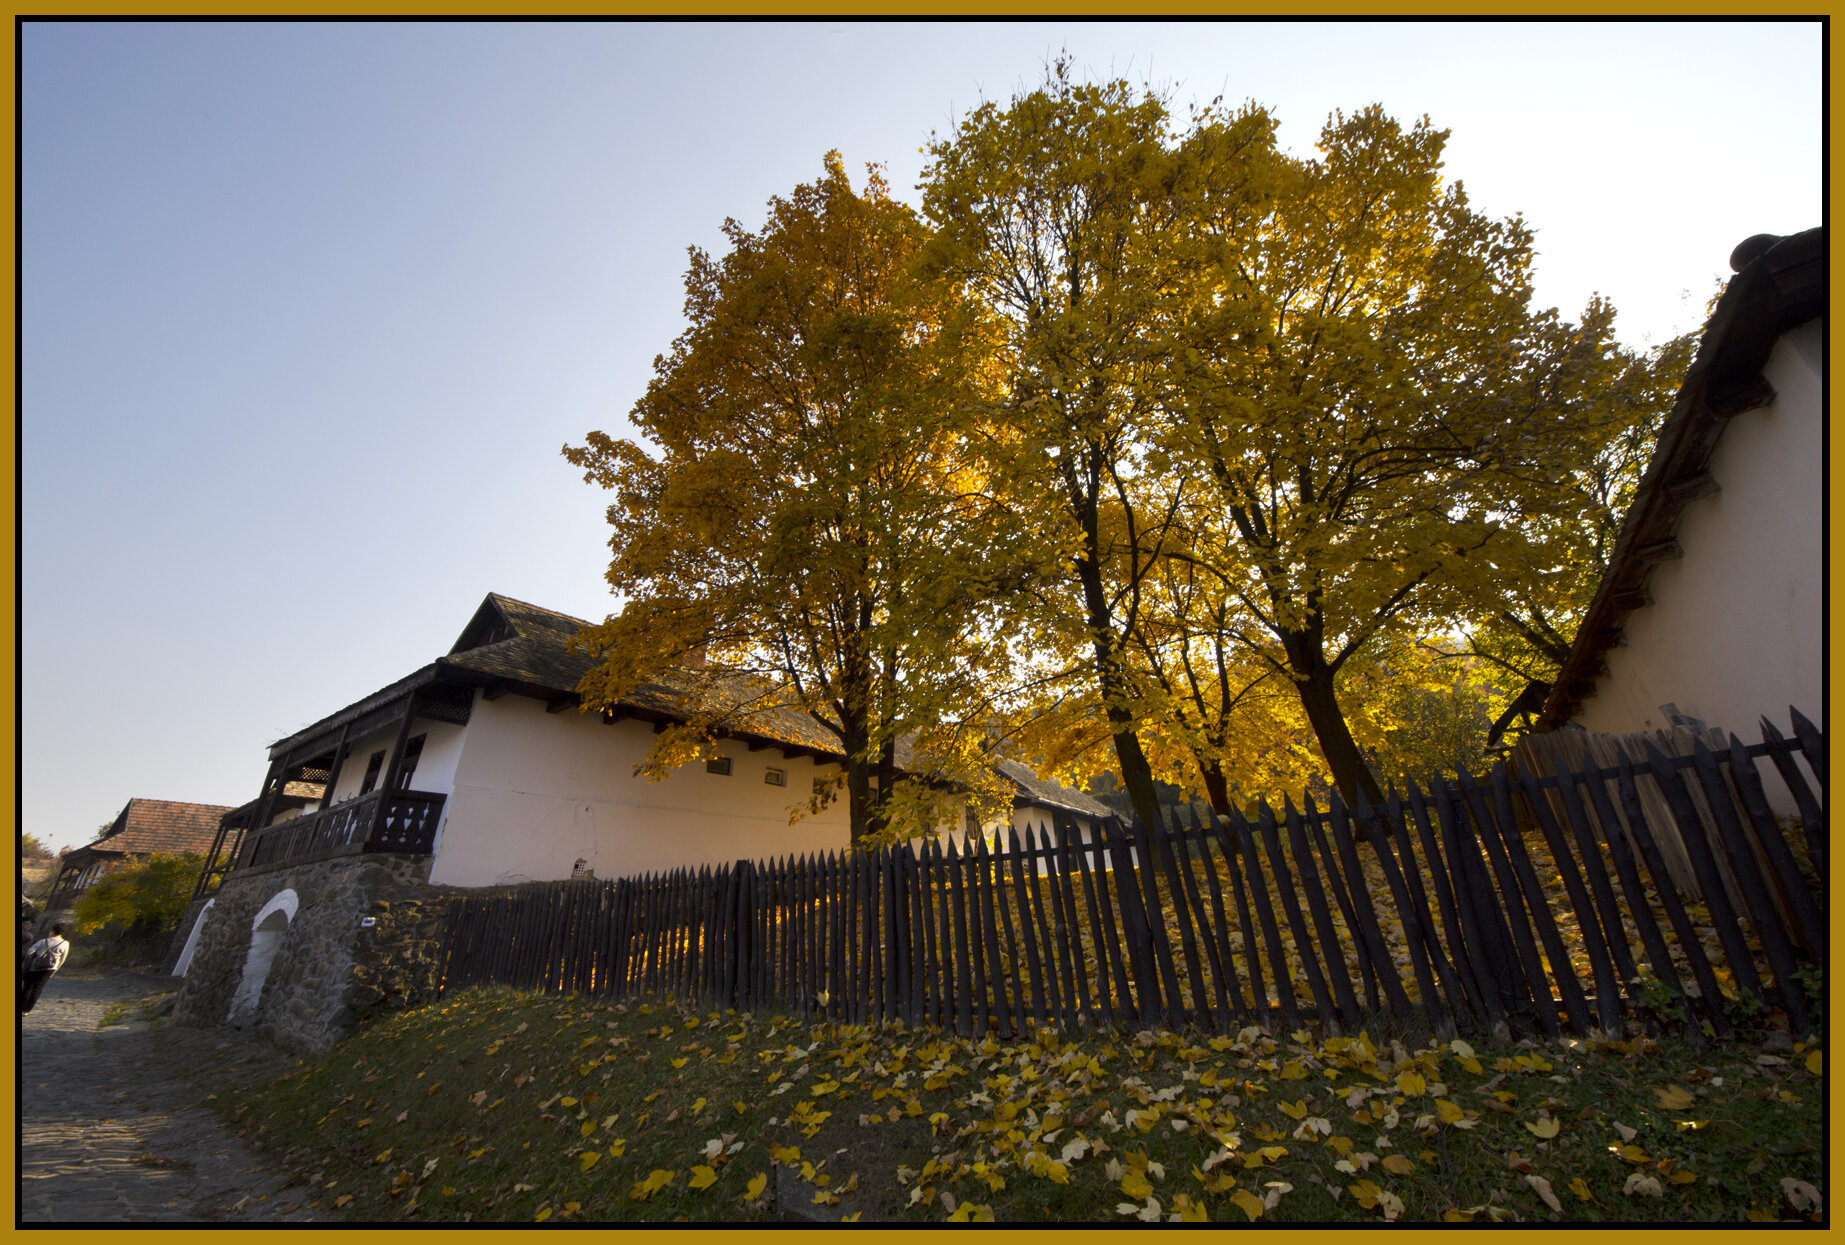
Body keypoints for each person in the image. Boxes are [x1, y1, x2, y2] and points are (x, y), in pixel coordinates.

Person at [20, 924, 70, 1014]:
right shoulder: (65, 944)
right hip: (50, 969)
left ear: (53, 931)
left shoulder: (43, 941)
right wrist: (54, 970)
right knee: (38, 988)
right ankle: (27, 1010)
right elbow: (62, 959)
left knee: (28, 987)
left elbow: (29, 952)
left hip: (36, 967)